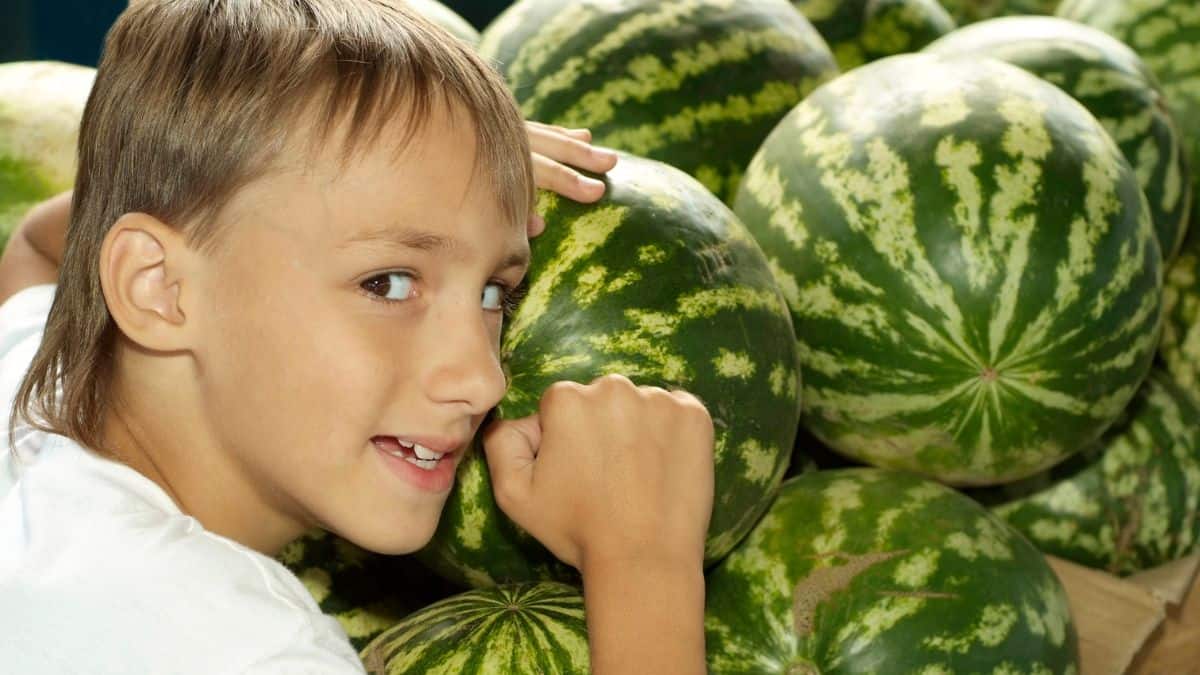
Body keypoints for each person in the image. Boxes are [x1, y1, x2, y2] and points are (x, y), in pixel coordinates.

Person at [0, 1, 715, 673]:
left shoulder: (27, 404)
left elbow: (35, 245)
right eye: (389, 283)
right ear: (155, 286)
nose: (483, 379)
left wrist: (426, 187)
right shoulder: (249, 650)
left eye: (496, 292)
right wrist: (644, 562)